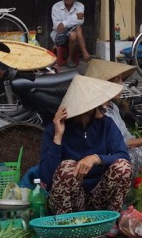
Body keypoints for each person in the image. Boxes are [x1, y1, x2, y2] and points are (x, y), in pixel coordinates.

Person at [38, 74, 132, 217]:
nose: (103, 108)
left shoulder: (106, 124)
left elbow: (124, 156)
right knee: (67, 166)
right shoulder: (54, 130)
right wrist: (58, 137)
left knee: (122, 166)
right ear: (87, 110)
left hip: (98, 196)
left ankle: (110, 220)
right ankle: (67, 226)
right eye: (98, 105)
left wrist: (96, 158)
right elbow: (46, 176)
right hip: (69, 202)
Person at [84, 58, 142, 176]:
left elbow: (126, 135)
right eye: (117, 80)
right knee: (136, 157)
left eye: (121, 79)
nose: (122, 84)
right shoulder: (98, 113)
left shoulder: (113, 107)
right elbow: (117, 142)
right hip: (108, 157)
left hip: (121, 151)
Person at [51, 0, 90, 68]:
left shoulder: (80, 6)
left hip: (74, 35)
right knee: (76, 29)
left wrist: (64, 24)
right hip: (58, 36)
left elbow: (80, 21)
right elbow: (58, 27)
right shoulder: (56, 7)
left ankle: (70, 58)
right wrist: (74, 18)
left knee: (75, 31)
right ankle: (85, 54)